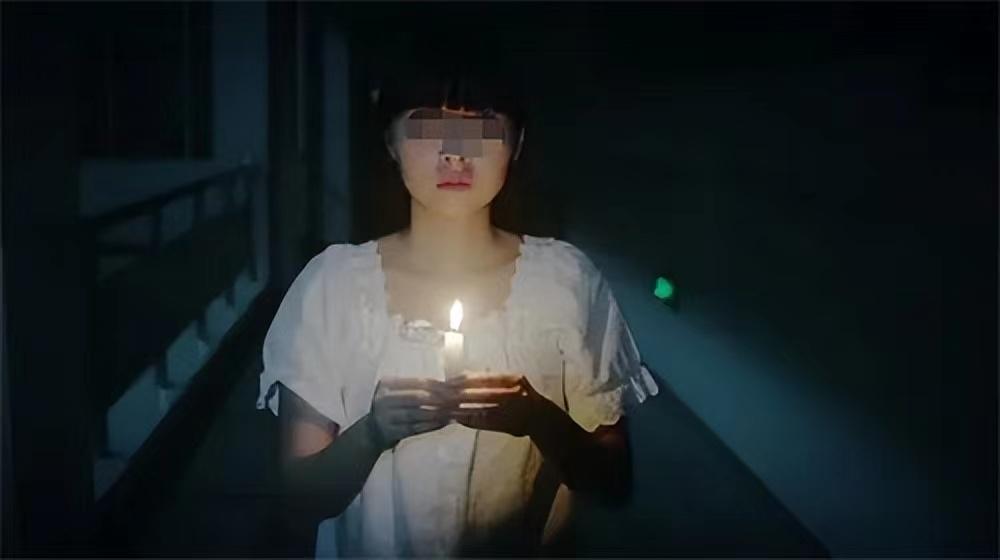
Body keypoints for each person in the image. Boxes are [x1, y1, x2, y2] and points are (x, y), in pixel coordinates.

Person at [256, 42, 659, 558]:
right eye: (427, 125)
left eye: (482, 126)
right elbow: (299, 497)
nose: (454, 152)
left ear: (517, 142)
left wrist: (538, 419)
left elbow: (613, 482)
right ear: (390, 140)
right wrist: (372, 433)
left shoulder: (566, 282)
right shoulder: (332, 286)